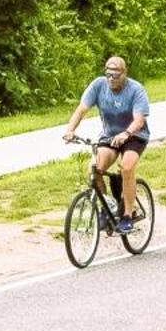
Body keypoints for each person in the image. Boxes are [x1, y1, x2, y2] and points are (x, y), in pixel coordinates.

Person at [62, 55, 151, 234]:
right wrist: (70, 130)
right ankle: (106, 207)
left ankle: (127, 215)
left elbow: (139, 120)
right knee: (95, 169)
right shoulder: (98, 85)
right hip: (110, 136)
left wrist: (126, 133)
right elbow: (82, 109)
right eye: (108, 74)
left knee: (126, 167)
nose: (111, 79)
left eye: (116, 75)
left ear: (124, 73)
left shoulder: (135, 89)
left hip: (134, 136)